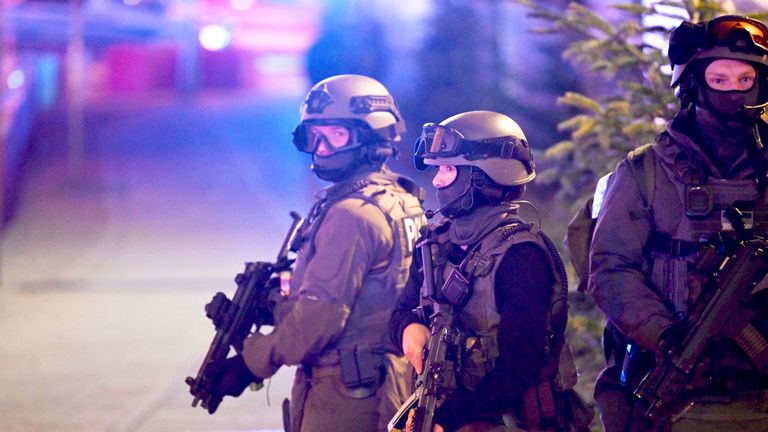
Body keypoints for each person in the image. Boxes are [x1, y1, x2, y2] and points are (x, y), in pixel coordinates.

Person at [201, 74, 427, 432]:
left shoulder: (352, 215)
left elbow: (317, 323)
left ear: (372, 136)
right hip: (385, 381)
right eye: (314, 136)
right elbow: (366, 298)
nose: (321, 148)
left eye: (336, 135)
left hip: (346, 396)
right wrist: (275, 305)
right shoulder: (401, 199)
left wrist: (249, 362)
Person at [589, 14, 768, 431]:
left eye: (745, 80)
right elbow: (610, 268)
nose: (733, 93)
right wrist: (667, 336)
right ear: (692, 84)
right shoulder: (645, 172)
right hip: (675, 383)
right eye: (719, 80)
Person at [389, 111, 590, 431]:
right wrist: (409, 329)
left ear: (483, 178)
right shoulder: (435, 243)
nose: (437, 180)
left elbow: (519, 368)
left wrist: (447, 419)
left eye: (449, 169)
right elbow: (401, 312)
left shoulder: (521, 257)